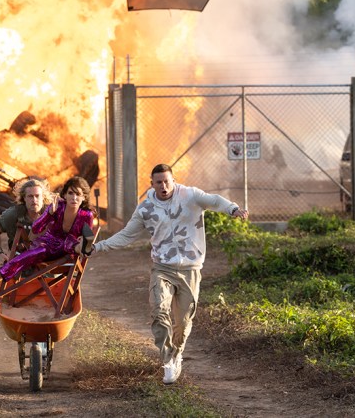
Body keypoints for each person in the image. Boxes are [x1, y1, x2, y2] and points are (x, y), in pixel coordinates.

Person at [88, 163, 248, 385]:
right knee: (159, 312)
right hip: (162, 268)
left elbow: (214, 201)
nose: (163, 186)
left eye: (167, 181)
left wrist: (232, 209)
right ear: (151, 184)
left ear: (173, 180)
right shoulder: (145, 208)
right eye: (158, 182)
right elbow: (126, 235)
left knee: (182, 322)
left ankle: (177, 352)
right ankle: (167, 360)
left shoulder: (190, 195)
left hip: (191, 268)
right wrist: (98, 247)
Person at [0, 176, 95, 285]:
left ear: (83, 197)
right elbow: (34, 229)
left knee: (72, 242)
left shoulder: (85, 215)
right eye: (30, 196)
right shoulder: (53, 207)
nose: (74, 198)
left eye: (37, 196)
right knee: (31, 253)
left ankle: (81, 247)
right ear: (64, 195)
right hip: (43, 249)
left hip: (65, 253)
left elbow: (87, 235)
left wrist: (83, 243)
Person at [0, 178, 51, 264]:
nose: (34, 200)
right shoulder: (13, 214)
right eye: (30, 196)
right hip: (19, 267)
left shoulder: (52, 213)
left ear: (43, 197)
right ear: (24, 198)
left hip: (47, 267)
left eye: (37, 196)